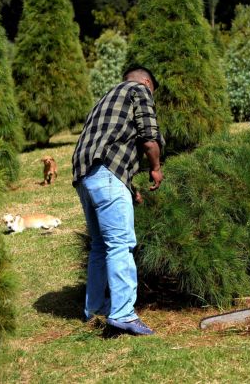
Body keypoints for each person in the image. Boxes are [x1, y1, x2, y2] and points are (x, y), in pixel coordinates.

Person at [71, 65, 165, 336]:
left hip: (85, 176)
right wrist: (155, 168)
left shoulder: (105, 98)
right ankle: (123, 313)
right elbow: (149, 137)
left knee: (100, 246)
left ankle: (95, 309)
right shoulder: (139, 91)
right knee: (121, 244)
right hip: (106, 176)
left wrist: (127, 185)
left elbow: (108, 143)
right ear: (147, 82)